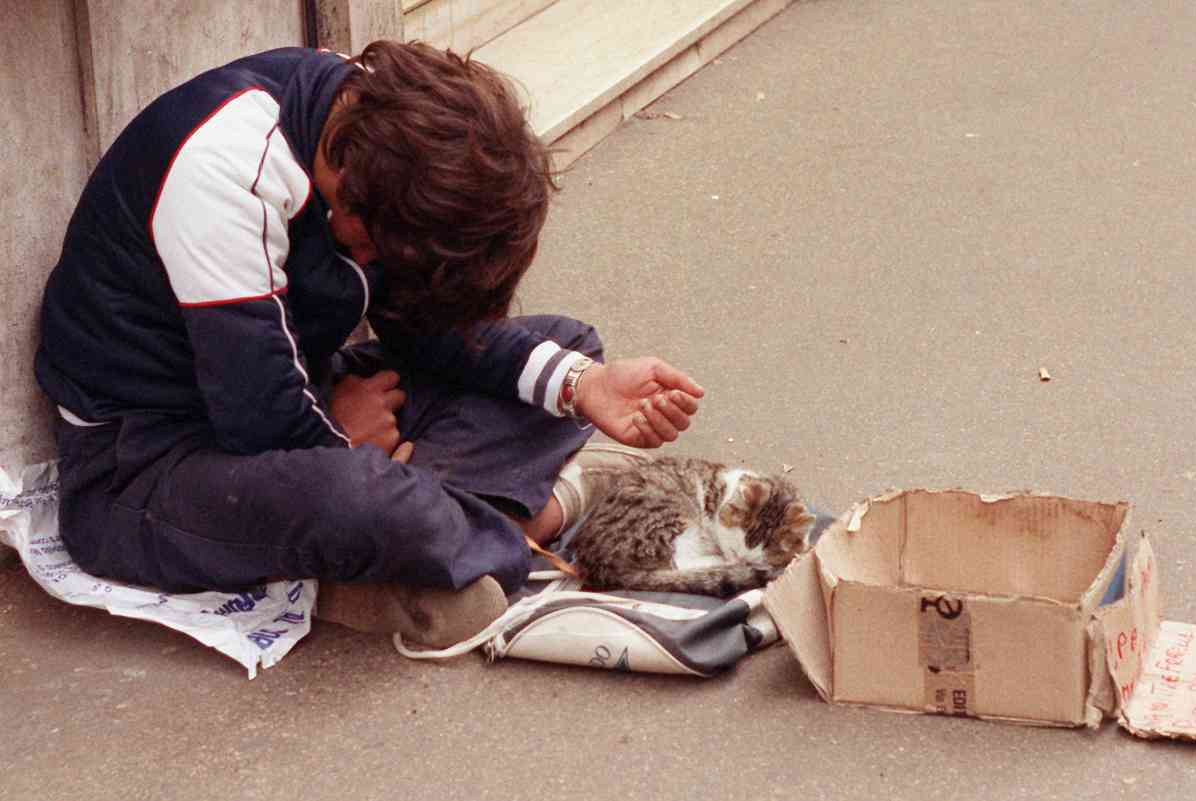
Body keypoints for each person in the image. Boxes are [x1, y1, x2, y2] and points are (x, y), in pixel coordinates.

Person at [35, 41, 704, 648]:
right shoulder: (227, 172)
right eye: (375, 247)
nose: (369, 261)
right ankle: (519, 528)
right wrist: (345, 441)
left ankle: (427, 541)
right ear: (352, 207)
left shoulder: (370, 135)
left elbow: (424, 329)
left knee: (567, 349)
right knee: (355, 496)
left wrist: (584, 386)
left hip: (302, 396)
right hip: (144, 469)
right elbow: (259, 421)